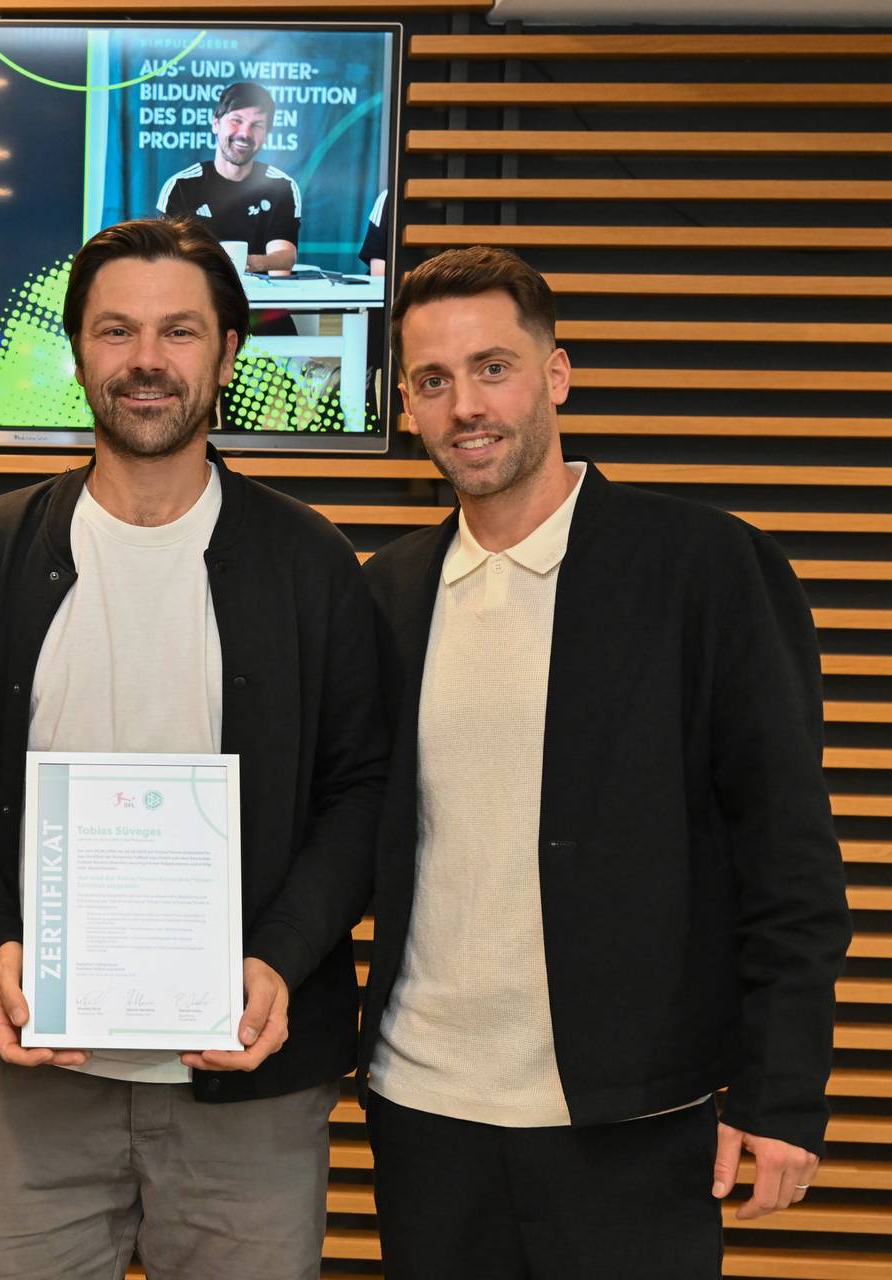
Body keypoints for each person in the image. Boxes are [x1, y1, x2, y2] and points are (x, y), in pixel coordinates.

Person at [0, 216, 387, 1280]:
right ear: (77, 353)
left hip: (248, 1088)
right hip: (29, 1082)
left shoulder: (311, 563)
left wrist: (279, 956)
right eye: (116, 331)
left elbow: (362, 791)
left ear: (228, 354)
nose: (146, 360)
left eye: (178, 331)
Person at [362, 245, 852, 1277]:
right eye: (433, 380)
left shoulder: (705, 567)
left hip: (638, 1121)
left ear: (557, 374)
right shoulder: (388, 592)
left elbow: (789, 854)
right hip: (423, 1115)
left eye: (493, 368)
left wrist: (781, 1091)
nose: (466, 406)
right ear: (407, 406)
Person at [156, 81, 301, 276]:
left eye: (257, 125)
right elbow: (167, 260)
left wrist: (244, 263)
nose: (245, 133)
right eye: (236, 120)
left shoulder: (281, 186)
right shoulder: (181, 186)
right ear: (216, 123)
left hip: (260, 294)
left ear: (267, 134)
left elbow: (283, 259)